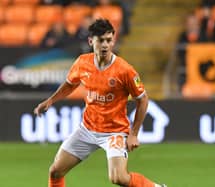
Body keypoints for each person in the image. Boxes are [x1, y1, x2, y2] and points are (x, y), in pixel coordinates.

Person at [34, 19, 167, 187]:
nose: (105, 45)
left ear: (113, 41)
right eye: (101, 40)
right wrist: (51, 100)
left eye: (109, 40)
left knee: (118, 178)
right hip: (87, 129)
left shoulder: (124, 70)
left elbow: (143, 99)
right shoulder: (83, 63)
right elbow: (70, 84)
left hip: (114, 132)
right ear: (91, 41)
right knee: (55, 171)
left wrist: (133, 134)